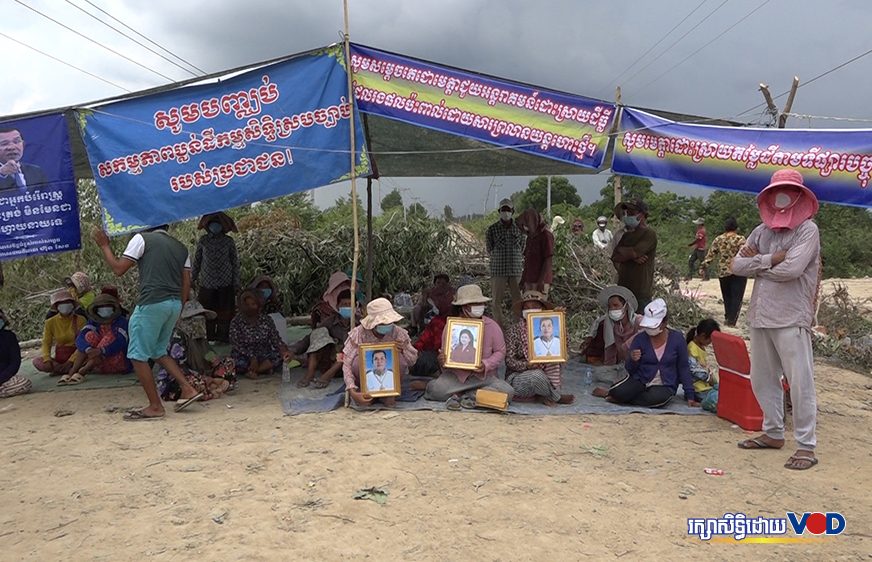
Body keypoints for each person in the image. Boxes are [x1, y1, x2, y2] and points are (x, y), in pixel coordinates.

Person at [731, 169, 822, 471]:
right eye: (776, 192)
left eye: (786, 191)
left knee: (800, 382)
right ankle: (773, 432)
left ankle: (806, 446)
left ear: (798, 196)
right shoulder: (762, 231)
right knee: (762, 377)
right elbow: (736, 265)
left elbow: (792, 270)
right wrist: (771, 259)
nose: (781, 198)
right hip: (761, 314)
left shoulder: (808, 230)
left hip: (792, 316)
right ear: (770, 196)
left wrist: (757, 265)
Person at [92, 224, 204, 421]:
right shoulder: (180, 247)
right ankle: (188, 388)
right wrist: (179, 307)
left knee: (137, 355)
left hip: (152, 303)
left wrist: (104, 246)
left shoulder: (142, 239)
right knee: (158, 351)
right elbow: (186, 281)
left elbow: (119, 269)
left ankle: (155, 406)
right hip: (173, 304)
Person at [593, 299, 699, 408]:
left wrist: (690, 395)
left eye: (653, 326)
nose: (649, 329)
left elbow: (683, 367)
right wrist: (633, 359)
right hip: (641, 380)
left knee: (657, 399)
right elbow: (630, 369)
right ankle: (618, 396)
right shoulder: (640, 339)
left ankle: (622, 399)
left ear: (664, 323)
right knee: (619, 391)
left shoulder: (677, 339)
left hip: (665, 385)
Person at [425, 285, 514, 410]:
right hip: (456, 377)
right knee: (436, 391)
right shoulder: (452, 326)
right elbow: (445, 353)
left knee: (508, 392)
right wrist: (443, 359)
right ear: (463, 307)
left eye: (480, 303)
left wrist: (486, 364)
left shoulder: (492, 326)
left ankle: (467, 395)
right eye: (473, 303)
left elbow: (500, 351)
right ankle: (472, 396)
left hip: (484, 378)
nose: (478, 306)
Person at [343, 298, 418, 407]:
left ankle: (390, 391)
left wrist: (404, 349)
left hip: (391, 380)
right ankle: (366, 389)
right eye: (382, 322)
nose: (387, 324)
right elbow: (347, 364)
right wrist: (352, 391)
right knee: (356, 363)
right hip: (364, 380)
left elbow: (412, 361)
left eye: (389, 322)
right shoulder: (359, 333)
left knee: (400, 361)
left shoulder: (398, 333)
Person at [157, 300, 237, 402]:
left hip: (202, 373)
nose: (200, 322)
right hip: (177, 379)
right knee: (196, 382)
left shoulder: (201, 337)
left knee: (229, 362)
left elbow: (209, 357)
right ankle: (212, 387)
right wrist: (205, 378)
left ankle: (214, 386)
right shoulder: (178, 337)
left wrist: (215, 362)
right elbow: (179, 367)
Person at [505, 292, 573, 406]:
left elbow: (565, 346)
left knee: (552, 364)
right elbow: (509, 361)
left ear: (542, 309)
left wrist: (559, 321)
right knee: (536, 376)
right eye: (526, 308)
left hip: (545, 372)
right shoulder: (513, 331)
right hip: (520, 378)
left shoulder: (550, 329)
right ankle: (555, 396)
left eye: (534, 307)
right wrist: (527, 365)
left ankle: (544, 393)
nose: (530, 310)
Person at [291, 274, 357, 388]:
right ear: (337, 306)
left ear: (356, 306)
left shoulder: (360, 323)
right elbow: (310, 337)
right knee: (318, 332)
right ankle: (310, 373)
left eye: (350, 305)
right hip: (331, 360)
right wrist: (293, 350)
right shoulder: (330, 321)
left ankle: (327, 376)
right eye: (344, 305)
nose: (347, 307)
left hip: (351, 363)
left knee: (349, 349)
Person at [61, 293, 132, 385]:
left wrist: (101, 350)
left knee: (109, 337)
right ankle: (73, 371)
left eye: (107, 306)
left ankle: (82, 371)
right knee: (89, 336)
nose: (104, 308)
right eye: (101, 306)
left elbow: (121, 342)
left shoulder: (121, 322)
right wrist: (88, 349)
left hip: (119, 362)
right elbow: (81, 338)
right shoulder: (94, 322)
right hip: (97, 362)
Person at [192, 212, 240, 343]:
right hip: (207, 283)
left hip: (226, 282)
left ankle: (223, 337)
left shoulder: (228, 241)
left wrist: (236, 282)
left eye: (218, 224)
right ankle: (209, 337)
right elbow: (197, 261)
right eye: (213, 223)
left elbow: (234, 262)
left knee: (226, 311)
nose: (215, 226)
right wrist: (192, 278)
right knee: (207, 311)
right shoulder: (203, 241)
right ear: (208, 226)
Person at [229, 289, 292, 379]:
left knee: (280, 357)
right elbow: (236, 344)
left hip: (264, 353)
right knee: (234, 363)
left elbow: (276, 339)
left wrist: (284, 351)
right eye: (246, 305)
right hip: (244, 354)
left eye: (253, 304)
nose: (250, 307)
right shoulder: (236, 322)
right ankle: (264, 368)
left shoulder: (266, 320)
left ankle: (255, 370)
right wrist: (252, 357)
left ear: (259, 305)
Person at [611, 200, 657, 312]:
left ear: (641, 214)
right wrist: (633, 256)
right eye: (628, 212)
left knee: (640, 322)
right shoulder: (626, 235)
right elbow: (615, 256)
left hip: (640, 291)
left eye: (632, 212)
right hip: (623, 288)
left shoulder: (649, 234)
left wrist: (629, 254)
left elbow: (634, 252)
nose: (628, 215)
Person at [701, 217, 748, 326]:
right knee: (737, 297)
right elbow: (746, 254)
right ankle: (732, 320)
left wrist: (703, 266)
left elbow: (711, 254)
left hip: (723, 271)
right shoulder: (740, 239)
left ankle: (727, 317)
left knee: (727, 296)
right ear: (736, 228)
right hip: (738, 271)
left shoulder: (718, 239)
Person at [485, 198, 524, 325]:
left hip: (516, 270)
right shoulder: (492, 229)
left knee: (518, 300)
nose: (505, 212)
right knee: (496, 301)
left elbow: (522, 247)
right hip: (498, 270)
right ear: (499, 211)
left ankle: (517, 327)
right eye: (503, 210)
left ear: (512, 211)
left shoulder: (520, 229)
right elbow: (489, 248)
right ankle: (499, 327)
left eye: (508, 209)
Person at [580, 285, 641, 366]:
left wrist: (626, 345)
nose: (612, 309)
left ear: (626, 306)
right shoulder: (612, 326)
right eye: (610, 306)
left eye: (616, 305)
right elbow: (610, 348)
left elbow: (646, 333)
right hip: (622, 367)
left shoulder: (638, 321)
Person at [32, 289, 85, 375]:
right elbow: (46, 342)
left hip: (77, 356)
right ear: (57, 306)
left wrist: (71, 361)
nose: (65, 305)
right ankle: (64, 369)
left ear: (72, 305)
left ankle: (66, 368)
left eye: (67, 302)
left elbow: (83, 343)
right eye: (61, 303)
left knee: (88, 356)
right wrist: (47, 359)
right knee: (37, 361)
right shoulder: (50, 322)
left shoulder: (80, 320)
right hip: (59, 358)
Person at [517, 208, 555, 298]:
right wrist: (523, 280)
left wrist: (541, 281)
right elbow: (527, 260)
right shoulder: (530, 237)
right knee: (528, 308)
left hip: (540, 280)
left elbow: (548, 259)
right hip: (529, 279)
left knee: (538, 308)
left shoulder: (546, 235)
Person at [686, 319, 720, 412]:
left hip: (705, 385)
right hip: (698, 389)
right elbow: (694, 370)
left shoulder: (700, 347)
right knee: (717, 399)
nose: (710, 343)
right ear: (703, 336)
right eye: (710, 340)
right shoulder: (692, 348)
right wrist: (709, 377)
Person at [0, 309, 32, 398]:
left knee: (24, 383)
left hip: (4, 377)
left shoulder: (9, 337)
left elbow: (15, 363)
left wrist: (2, 378)